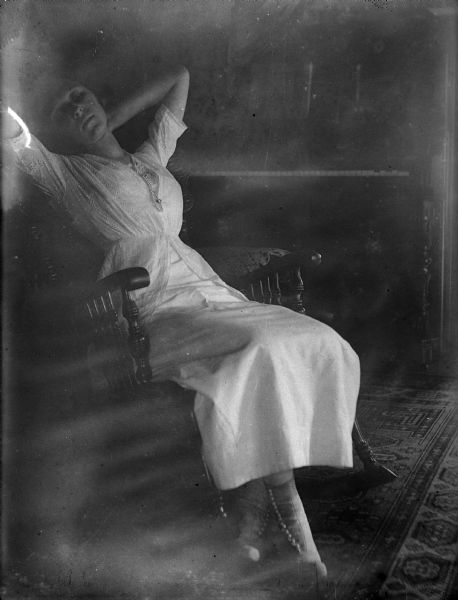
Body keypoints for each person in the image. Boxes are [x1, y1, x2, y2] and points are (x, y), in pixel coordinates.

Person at [3, 65, 360, 592]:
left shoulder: (151, 157)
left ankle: (251, 525)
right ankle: (300, 543)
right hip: (156, 307)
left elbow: (180, 77)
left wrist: (107, 118)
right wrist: (79, 129)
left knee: (319, 340)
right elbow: (10, 129)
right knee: (260, 347)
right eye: (63, 109)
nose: (77, 108)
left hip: (212, 293)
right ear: (52, 129)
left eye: (81, 97)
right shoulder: (62, 171)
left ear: (100, 97)